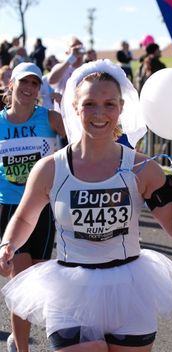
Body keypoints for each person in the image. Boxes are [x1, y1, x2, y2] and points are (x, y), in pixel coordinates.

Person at [0, 59, 172, 352]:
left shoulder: (141, 167)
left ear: (121, 107)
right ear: (74, 106)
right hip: (70, 292)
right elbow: (24, 218)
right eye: (89, 104)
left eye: (109, 104)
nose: (99, 113)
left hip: (130, 290)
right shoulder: (49, 169)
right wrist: (8, 244)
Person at [0, 62, 65, 352]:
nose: (29, 88)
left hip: (44, 209)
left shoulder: (50, 119)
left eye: (35, 84)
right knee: (22, 278)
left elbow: (84, 141)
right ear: (10, 84)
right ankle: (22, 347)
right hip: (10, 208)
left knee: (38, 280)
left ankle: (18, 336)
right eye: (23, 82)